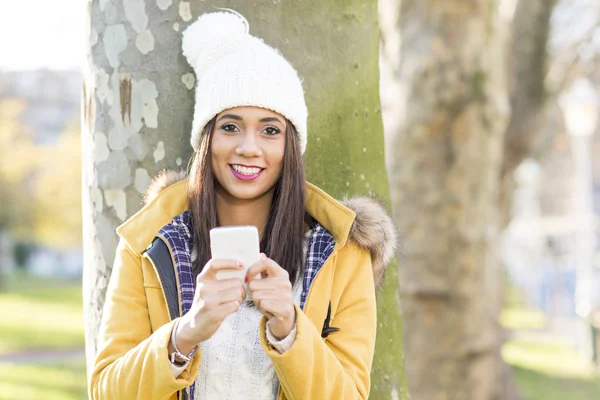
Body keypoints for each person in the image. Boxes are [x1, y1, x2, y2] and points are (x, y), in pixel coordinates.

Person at [89, 9, 396, 400]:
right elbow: (105, 391)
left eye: (270, 130)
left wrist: (289, 328)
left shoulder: (343, 254)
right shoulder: (150, 244)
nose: (248, 148)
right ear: (207, 139)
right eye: (230, 126)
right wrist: (184, 336)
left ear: (290, 146)